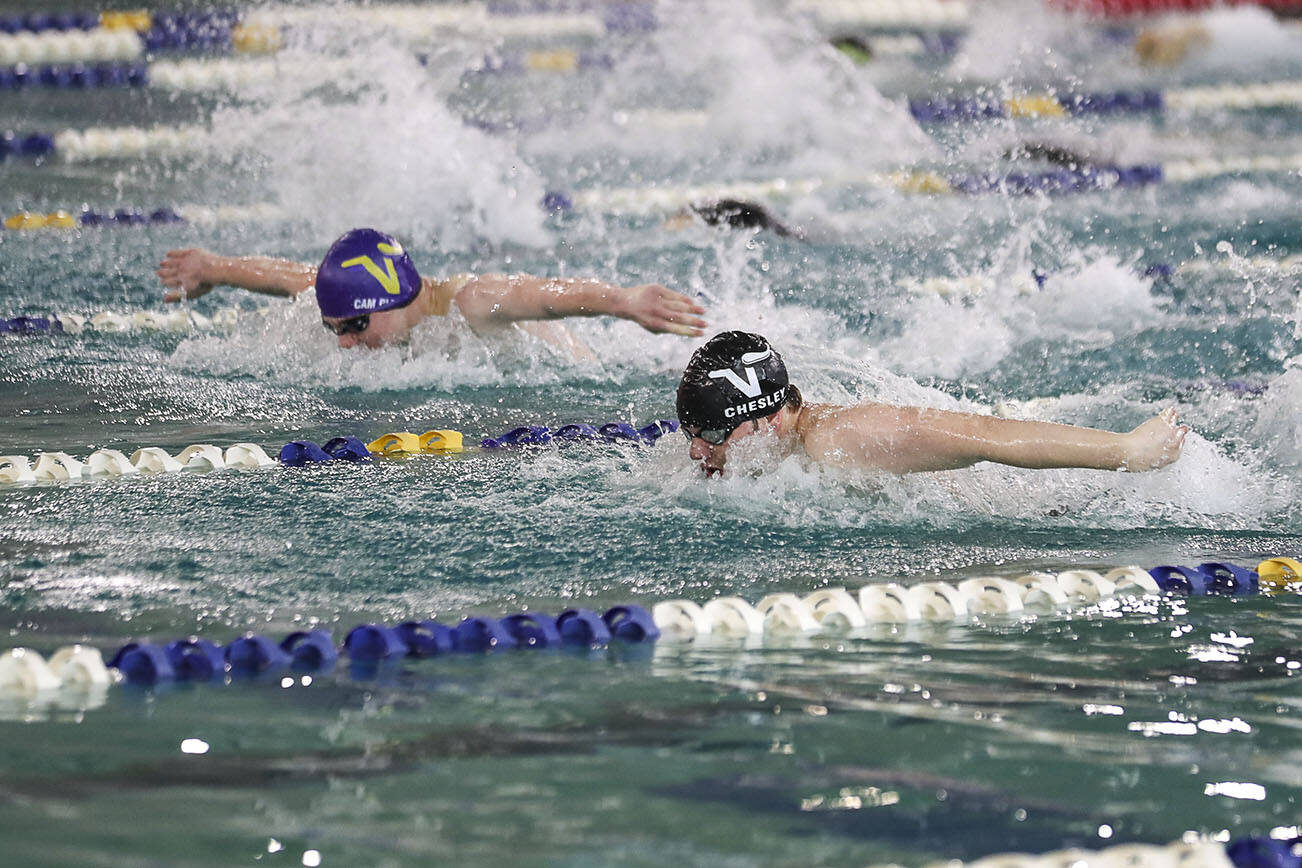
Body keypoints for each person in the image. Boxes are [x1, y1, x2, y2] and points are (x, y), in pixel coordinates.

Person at [676, 331, 1189, 477]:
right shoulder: (761, 453)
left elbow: (990, 437)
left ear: (767, 417)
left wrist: (1128, 450)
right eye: (691, 436)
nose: (699, 453)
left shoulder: (841, 438)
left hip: (1052, 505)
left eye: (715, 436)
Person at [157, 227, 707, 351]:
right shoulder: (350, 301)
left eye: (355, 327)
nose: (344, 343)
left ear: (400, 300)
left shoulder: (468, 303)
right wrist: (214, 267)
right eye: (336, 328)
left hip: (576, 366)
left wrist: (624, 301)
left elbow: (542, 294)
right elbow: (289, 278)